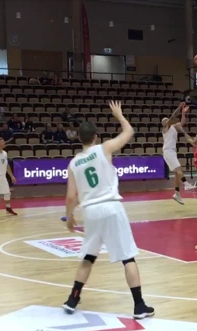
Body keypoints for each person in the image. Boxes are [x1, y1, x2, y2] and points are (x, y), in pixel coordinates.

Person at [62, 100, 154, 319]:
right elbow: (129, 132)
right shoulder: (104, 149)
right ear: (95, 136)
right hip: (112, 207)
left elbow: (71, 197)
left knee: (88, 257)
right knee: (128, 258)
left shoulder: (74, 163)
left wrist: (69, 217)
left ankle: (72, 299)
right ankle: (139, 306)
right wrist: (119, 116)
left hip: (91, 211)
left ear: (79, 138)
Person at [162, 103, 195, 205]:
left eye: (166, 120)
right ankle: (186, 184)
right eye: (164, 121)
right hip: (168, 151)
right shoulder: (165, 129)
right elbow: (173, 116)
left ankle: (177, 193)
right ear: (163, 124)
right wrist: (179, 107)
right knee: (179, 169)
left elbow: (182, 122)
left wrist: (183, 113)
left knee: (177, 173)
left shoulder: (174, 127)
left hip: (172, 151)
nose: (166, 121)